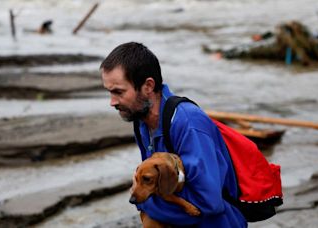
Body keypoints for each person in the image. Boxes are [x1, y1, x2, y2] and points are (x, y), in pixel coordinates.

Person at [100, 42, 247, 227]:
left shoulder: (188, 123)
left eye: (118, 92)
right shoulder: (142, 122)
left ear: (148, 86)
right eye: (109, 92)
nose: (112, 102)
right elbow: (157, 185)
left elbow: (209, 203)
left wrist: (144, 202)